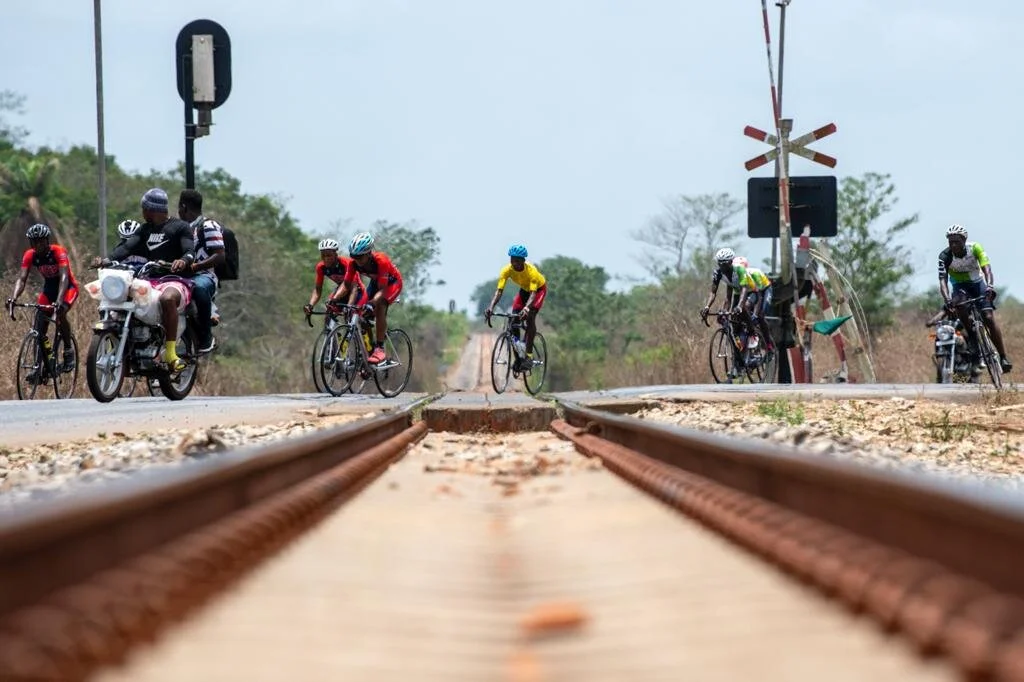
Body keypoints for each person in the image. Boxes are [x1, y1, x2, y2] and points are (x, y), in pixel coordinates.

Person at [98, 188, 195, 371]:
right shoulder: (144, 230)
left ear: (152, 209)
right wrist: (107, 260)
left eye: (144, 208)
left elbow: (190, 251)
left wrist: (183, 260)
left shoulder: (180, 227)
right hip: (149, 279)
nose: (142, 212)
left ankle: (171, 354)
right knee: (119, 298)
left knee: (167, 299)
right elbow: (126, 248)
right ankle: (126, 346)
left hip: (175, 280)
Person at [7, 224, 80, 378]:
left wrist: (59, 301)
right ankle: (38, 366)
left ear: (47, 241)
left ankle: (68, 351)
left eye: (41, 241)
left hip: (67, 288)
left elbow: (64, 278)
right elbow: (22, 279)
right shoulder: (30, 255)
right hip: (49, 290)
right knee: (39, 328)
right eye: (34, 242)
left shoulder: (58, 251)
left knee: (60, 313)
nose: (38, 245)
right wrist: (14, 298)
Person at [938, 223, 1011, 373]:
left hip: (978, 284)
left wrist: (990, 286)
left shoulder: (975, 248)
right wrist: (947, 300)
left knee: (988, 318)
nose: (953, 244)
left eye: (956, 241)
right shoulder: (944, 256)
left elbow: (987, 269)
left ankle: (1003, 357)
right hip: (960, 287)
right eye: (950, 241)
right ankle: (972, 337)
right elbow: (942, 281)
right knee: (957, 304)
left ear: (964, 240)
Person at [483, 244, 548, 372]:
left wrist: (526, 308)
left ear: (523, 261)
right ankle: (519, 357)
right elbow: (499, 291)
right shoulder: (506, 270)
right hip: (524, 291)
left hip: (538, 291)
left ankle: (528, 356)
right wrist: (491, 307)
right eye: (512, 259)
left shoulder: (532, 272)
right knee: (513, 321)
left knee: (530, 317)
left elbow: (533, 294)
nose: (514, 263)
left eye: (517, 260)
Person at [343, 232, 403, 364]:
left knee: (380, 305)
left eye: (360, 257)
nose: (357, 260)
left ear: (369, 253)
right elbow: (346, 285)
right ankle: (368, 353)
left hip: (392, 284)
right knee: (359, 312)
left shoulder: (381, 260)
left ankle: (380, 348)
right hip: (376, 284)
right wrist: (338, 301)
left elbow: (382, 290)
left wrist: (371, 303)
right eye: (354, 256)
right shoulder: (353, 264)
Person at [177, 189, 222, 353]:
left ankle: (206, 337)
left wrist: (196, 266)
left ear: (183, 207)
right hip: (179, 275)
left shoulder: (208, 226)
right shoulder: (178, 227)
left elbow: (219, 256)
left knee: (199, 288)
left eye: (179, 207)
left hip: (203, 275)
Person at [303, 238, 367, 320]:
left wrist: (349, 306)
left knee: (351, 317)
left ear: (336, 254)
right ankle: (330, 332)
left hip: (357, 291)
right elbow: (318, 290)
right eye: (323, 255)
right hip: (341, 291)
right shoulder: (321, 267)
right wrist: (310, 305)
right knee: (329, 313)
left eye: (329, 255)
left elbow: (353, 288)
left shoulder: (347, 263)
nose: (326, 258)